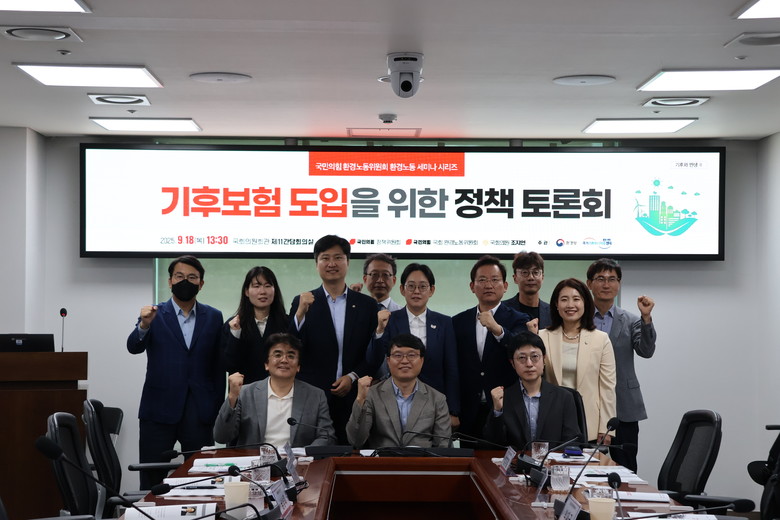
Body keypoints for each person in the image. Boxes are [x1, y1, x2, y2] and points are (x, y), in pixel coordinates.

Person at [127, 255, 224, 488]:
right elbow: (133, 347)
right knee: (152, 479)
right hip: (158, 410)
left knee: (202, 478)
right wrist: (144, 325)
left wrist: (215, 407)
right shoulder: (154, 314)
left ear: (201, 284)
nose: (185, 281)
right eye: (179, 276)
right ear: (170, 281)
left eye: (192, 277)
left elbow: (218, 366)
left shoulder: (213, 316)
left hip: (199, 411)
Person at [289, 235, 378, 444]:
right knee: (313, 453)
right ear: (316, 263)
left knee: (353, 452)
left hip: (354, 395)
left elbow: (374, 351)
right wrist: (300, 314)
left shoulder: (366, 305)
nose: (331, 264)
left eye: (338, 258)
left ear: (347, 262)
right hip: (313, 396)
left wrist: (353, 376)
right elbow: (292, 347)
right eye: (325, 258)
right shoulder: (303, 302)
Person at [368, 263, 461, 427]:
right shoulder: (389, 320)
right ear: (402, 289)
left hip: (435, 402)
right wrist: (380, 330)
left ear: (431, 290)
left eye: (422, 286)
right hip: (396, 401)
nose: (416, 291)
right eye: (411, 286)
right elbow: (373, 361)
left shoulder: (445, 323)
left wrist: (452, 410)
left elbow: (451, 368)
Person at [586, 258, 656, 472]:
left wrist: (646, 318)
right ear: (589, 284)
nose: (606, 284)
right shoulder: (579, 319)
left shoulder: (632, 320)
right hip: (587, 403)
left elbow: (646, 351)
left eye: (612, 279)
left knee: (626, 469)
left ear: (619, 284)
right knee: (585, 467)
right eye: (600, 279)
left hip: (623, 406)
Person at [453, 255, 530, 439]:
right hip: (469, 412)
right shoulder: (458, 322)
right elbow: (452, 368)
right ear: (472, 286)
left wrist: (497, 329)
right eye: (482, 280)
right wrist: (453, 409)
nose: (488, 285)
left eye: (495, 280)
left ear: (505, 286)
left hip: (506, 408)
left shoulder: (518, 319)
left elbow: (520, 350)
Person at [213, 333, 336, 447]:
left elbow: (327, 436)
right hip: (254, 461)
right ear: (266, 364)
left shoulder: (316, 396)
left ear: (298, 366)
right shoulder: (246, 393)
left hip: (298, 461)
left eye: (291, 356)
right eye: (278, 355)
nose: (284, 360)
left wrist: (304, 455)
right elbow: (221, 437)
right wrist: (232, 397)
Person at [534, 278, 616, 444]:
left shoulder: (601, 339)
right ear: (556, 304)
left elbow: (607, 387)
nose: (570, 305)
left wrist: (606, 428)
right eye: (564, 299)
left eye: (576, 299)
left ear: (585, 303)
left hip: (589, 423)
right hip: (552, 421)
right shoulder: (542, 336)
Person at [346, 333, 451, 449]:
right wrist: (360, 400)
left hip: (422, 460)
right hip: (382, 459)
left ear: (421, 360)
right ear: (388, 361)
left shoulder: (437, 399)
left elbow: (444, 445)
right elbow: (356, 441)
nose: (405, 361)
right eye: (398, 355)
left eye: (411, 355)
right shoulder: (372, 394)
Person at [484, 331, 582, 448]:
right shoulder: (504, 397)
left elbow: (572, 442)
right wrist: (497, 411)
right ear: (513, 363)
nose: (529, 364)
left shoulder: (564, 397)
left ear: (544, 359)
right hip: (516, 460)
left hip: (553, 459)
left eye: (535, 357)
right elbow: (493, 445)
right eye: (522, 358)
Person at [222, 266, 289, 384]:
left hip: (281, 389)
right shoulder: (233, 325)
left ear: (275, 290)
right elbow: (228, 365)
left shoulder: (287, 323)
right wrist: (235, 334)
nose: (262, 291)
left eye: (267, 286)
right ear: (246, 292)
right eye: (256, 286)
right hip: (245, 391)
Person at [503, 251, 552, 330]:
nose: (531, 277)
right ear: (515, 278)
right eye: (525, 272)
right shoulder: (503, 310)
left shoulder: (552, 312)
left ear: (542, 277)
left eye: (536, 272)